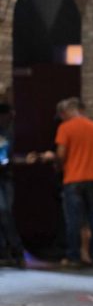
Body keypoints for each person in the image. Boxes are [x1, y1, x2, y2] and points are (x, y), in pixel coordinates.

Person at [54, 97, 93, 267]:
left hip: (73, 179)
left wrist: (59, 165)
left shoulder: (65, 128)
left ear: (67, 111)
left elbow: (61, 154)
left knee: (74, 219)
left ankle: (74, 256)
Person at [0, 102, 25, 268]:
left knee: (5, 212)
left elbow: (4, 157)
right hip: (3, 175)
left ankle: (8, 251)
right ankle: (15, 250)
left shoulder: (8, 131)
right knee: (3, 211)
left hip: (5, 176)